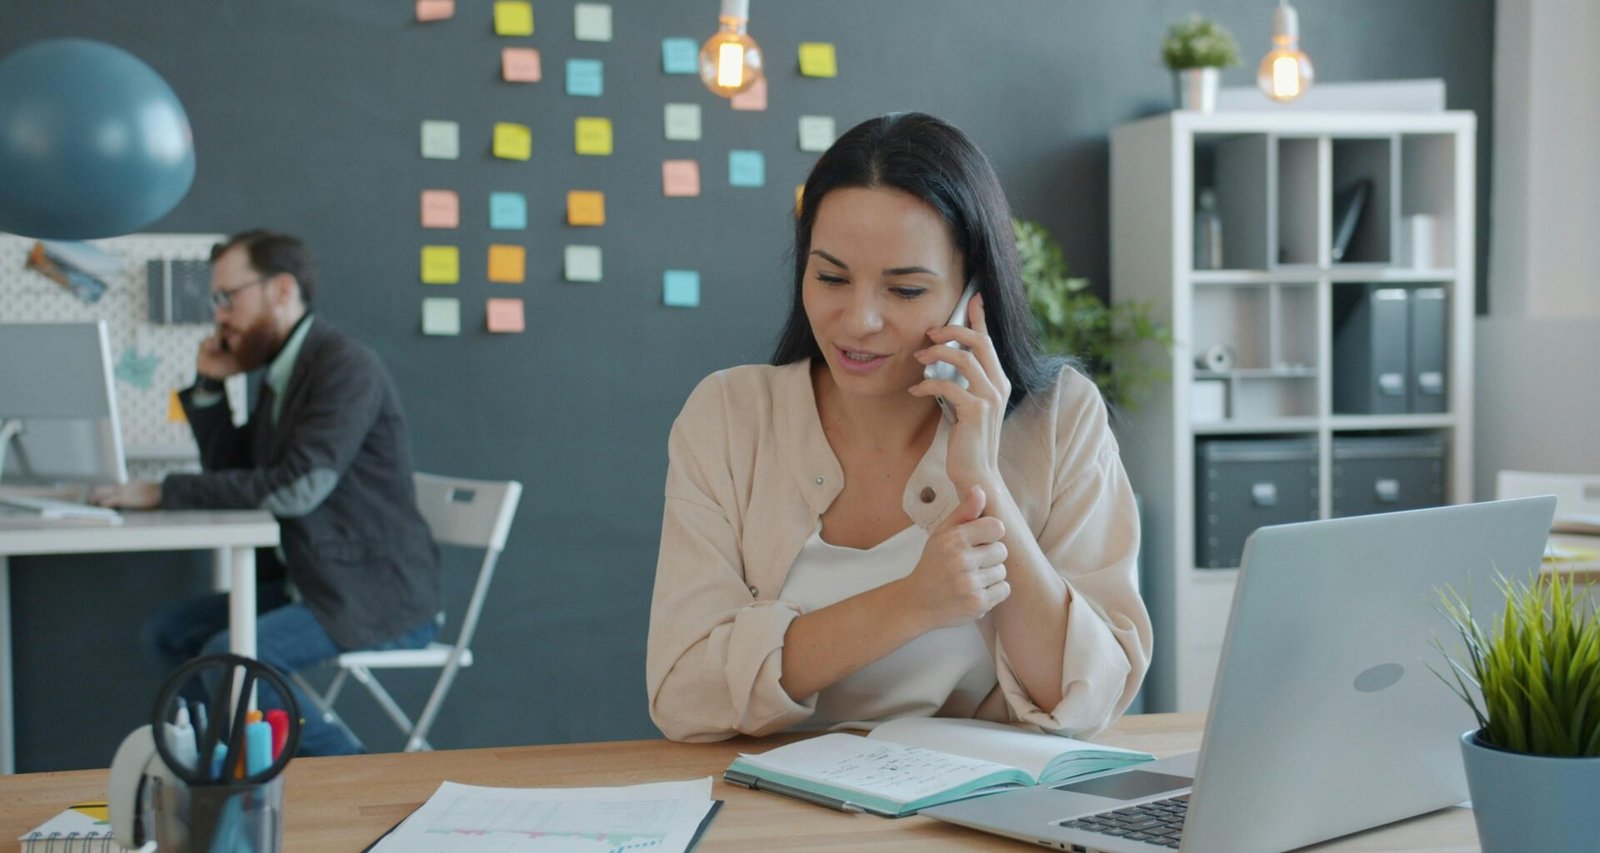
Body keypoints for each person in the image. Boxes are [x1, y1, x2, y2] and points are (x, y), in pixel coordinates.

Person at [646, 113, 1151, 743]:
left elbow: (1085, 698)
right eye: (831, 277)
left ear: (974, 291)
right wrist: (910, 603)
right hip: (762, 792)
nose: (858, 320)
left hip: (976, 794)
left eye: (905, 290)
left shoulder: (1059, 419)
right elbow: (685, 694)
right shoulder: (729, 416)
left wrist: (982, 476)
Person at [93, 230, 441, 755]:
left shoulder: (343, 366)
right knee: (169, 634)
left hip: (376, 594)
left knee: (232, 657)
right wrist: (210, 388)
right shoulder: (284, 372)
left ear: (281, 289)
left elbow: (297, 487)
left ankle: (350, 771)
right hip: (314, 580)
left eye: (227, 297)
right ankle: (225, 770)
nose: (220, 315)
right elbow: (236, 474)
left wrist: (165, 491)